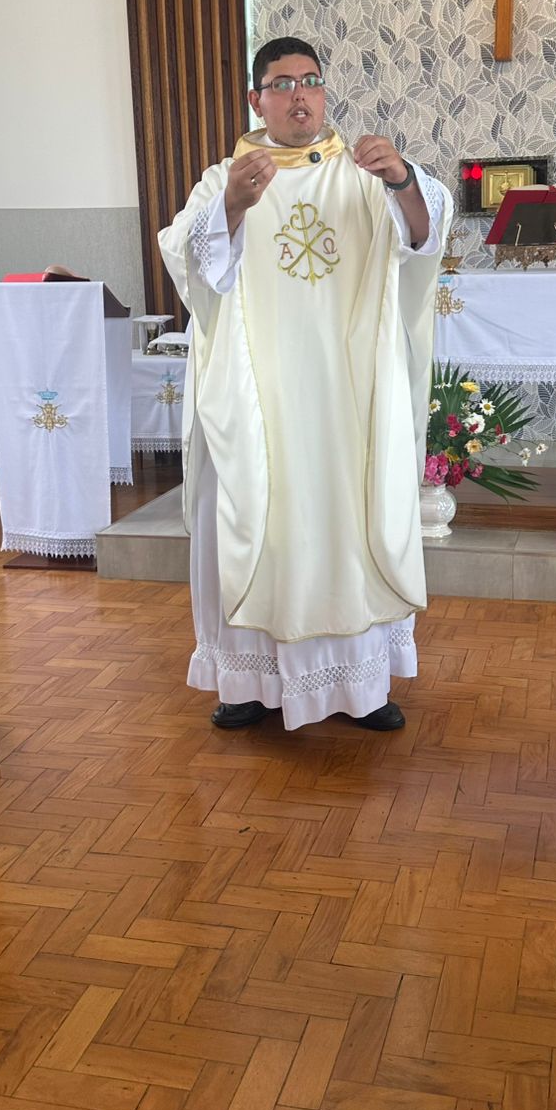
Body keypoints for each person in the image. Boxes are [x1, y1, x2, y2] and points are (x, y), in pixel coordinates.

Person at [158, 37, 452, 733]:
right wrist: (232, 207)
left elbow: (425, 239)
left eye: (311, 81)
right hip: (256, 399)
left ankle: (362, 686)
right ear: (256, 100)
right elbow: (193, 265)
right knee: (253, 518)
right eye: (283, 83)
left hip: (347, 398)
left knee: (346, 525)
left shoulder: (364, 173)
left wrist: (404, 180)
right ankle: (247, 682)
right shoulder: (224, 178)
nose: (300, 96)